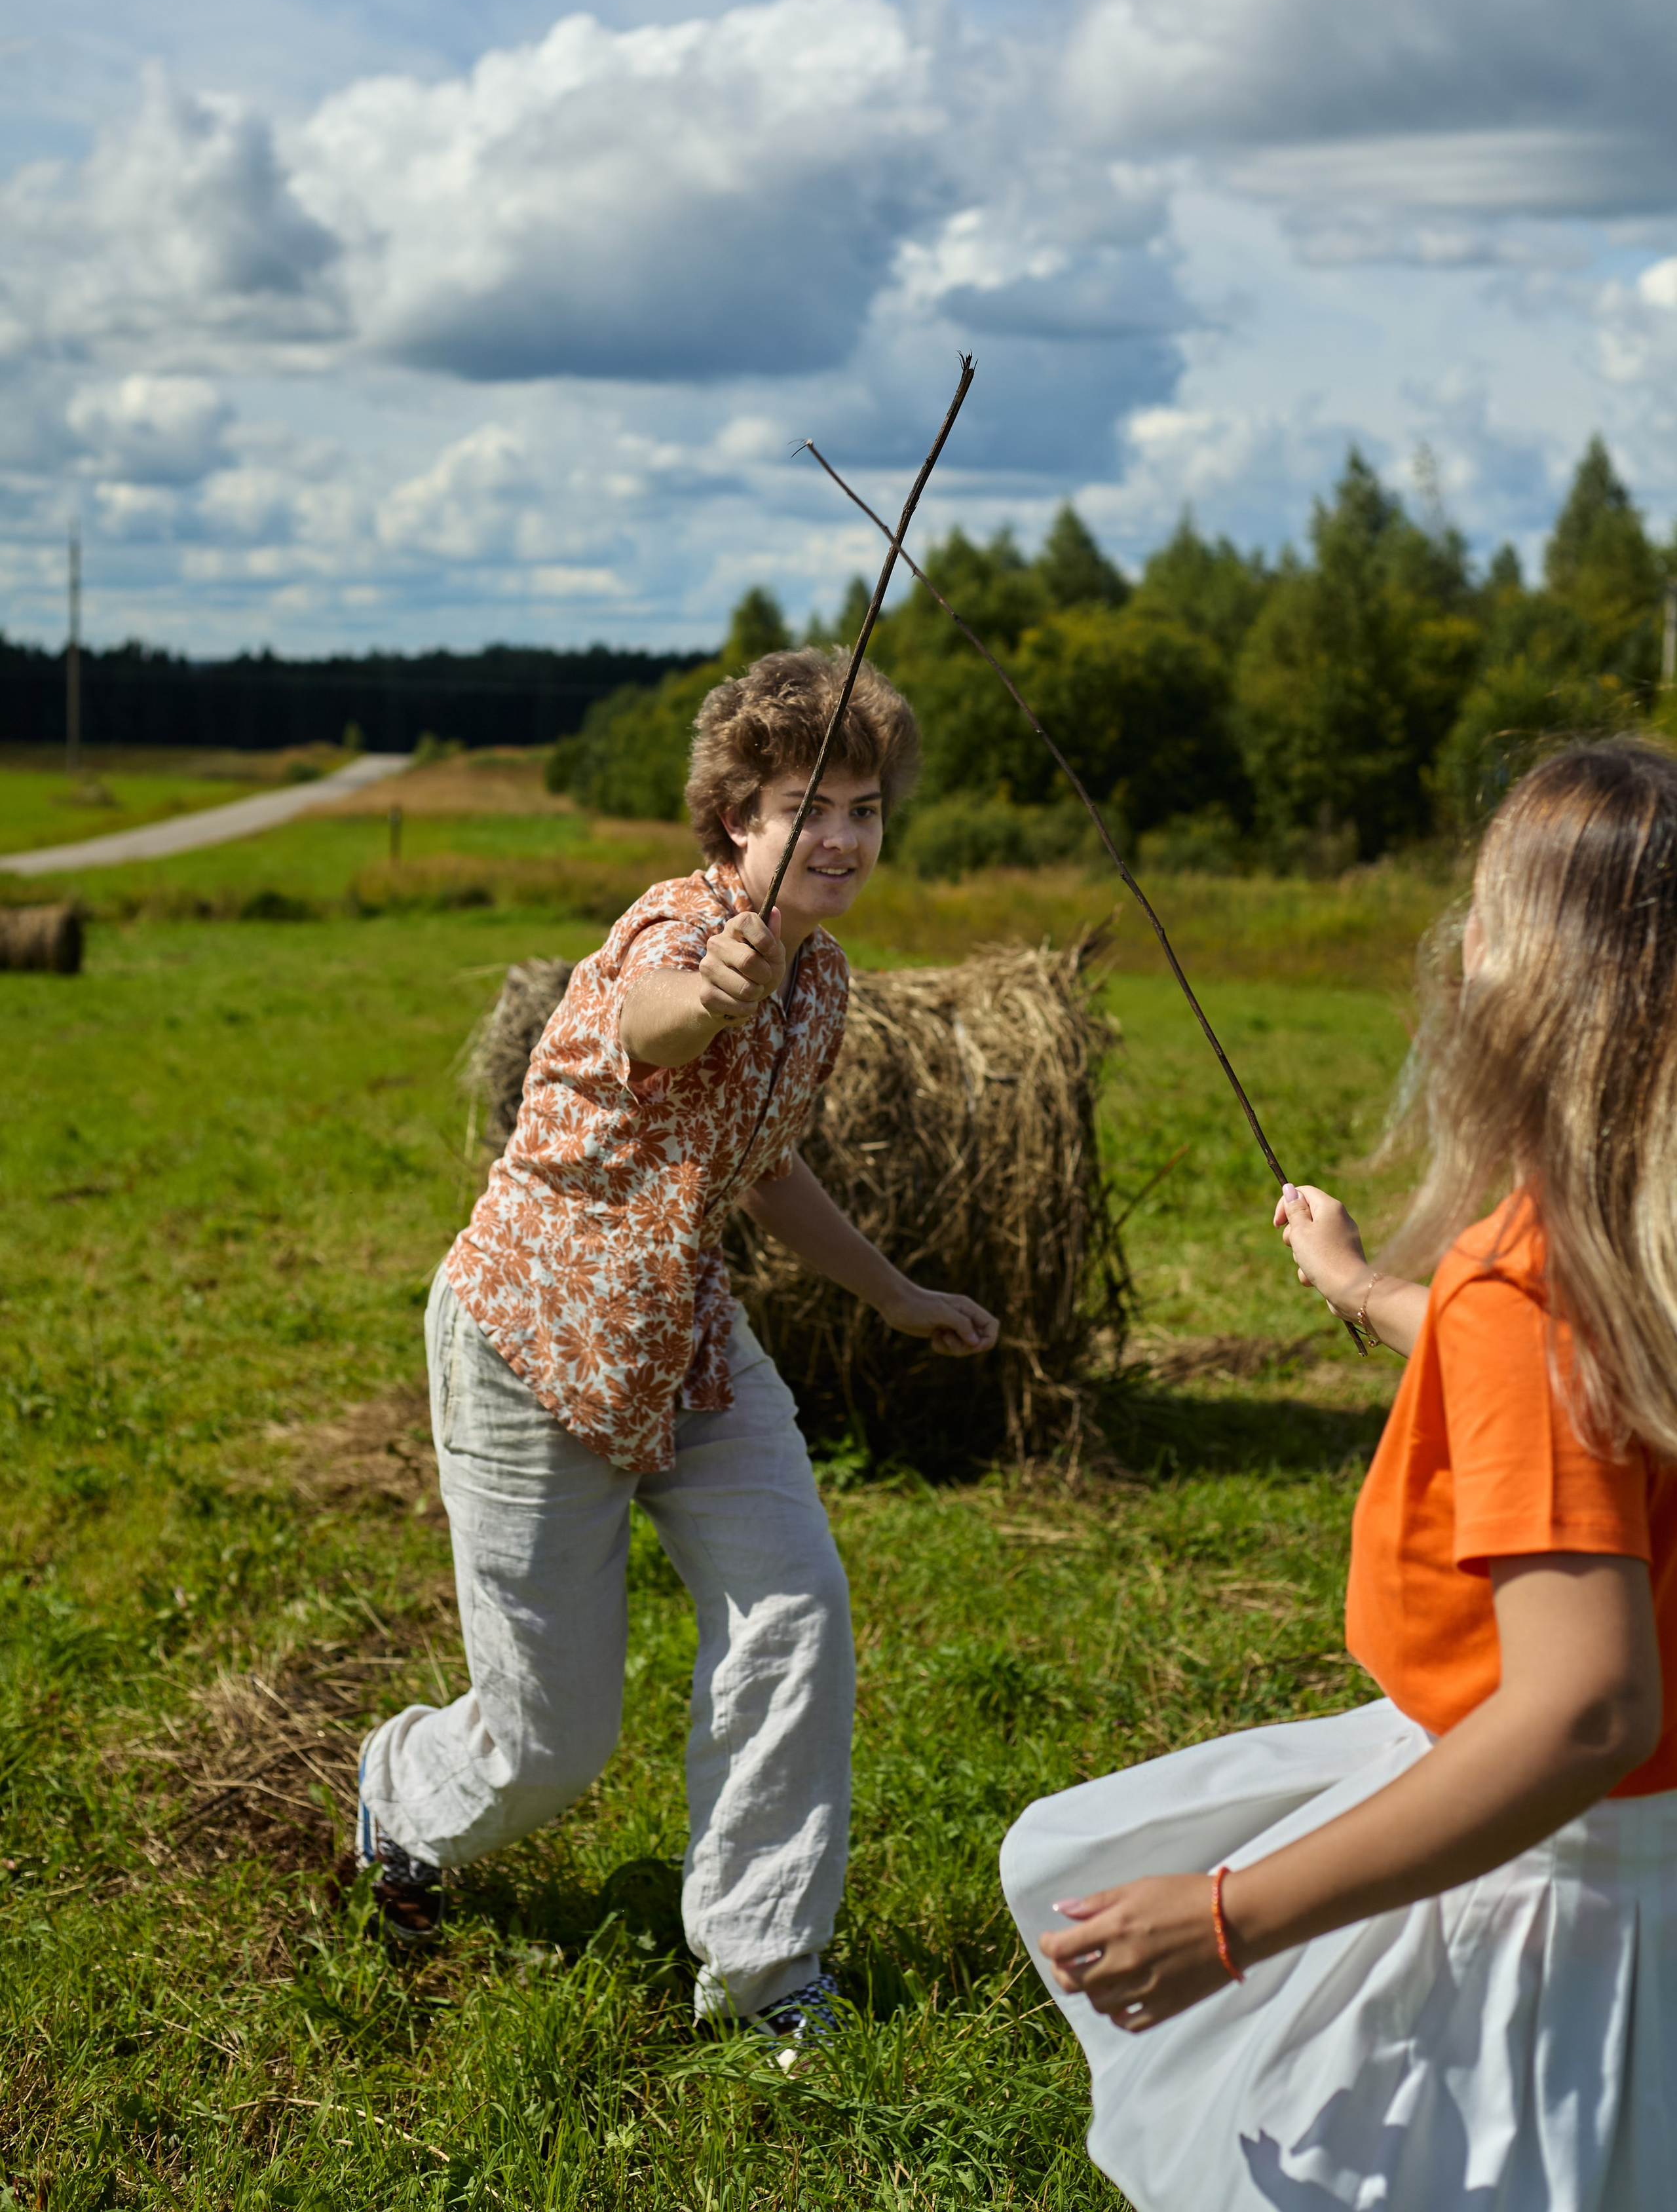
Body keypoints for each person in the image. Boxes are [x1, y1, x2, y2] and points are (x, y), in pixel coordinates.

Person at [1002, 737, 1677, 2209]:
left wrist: (1235, 1919)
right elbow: (1539, 1380)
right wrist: (1362, 1283)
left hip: (1545, 1888)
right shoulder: (1635, 1243)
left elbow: (1581, 1708)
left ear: (1533, 976)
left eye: (1484, 914)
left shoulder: (1533, 1282)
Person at [357, 648, 998, 2053]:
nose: (839, 836)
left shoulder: (823, 985)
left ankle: (765, 1975)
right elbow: (654, 1021)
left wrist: (891, 1292)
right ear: (734, 824)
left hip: (690, 1344)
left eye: (864, 809)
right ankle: (399, 1802)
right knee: (551, 1740)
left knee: (795, 1614)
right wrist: (716, 989)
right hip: (535, 1343)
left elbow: (764, 1174)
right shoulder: (676, 927)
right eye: (802, 808)